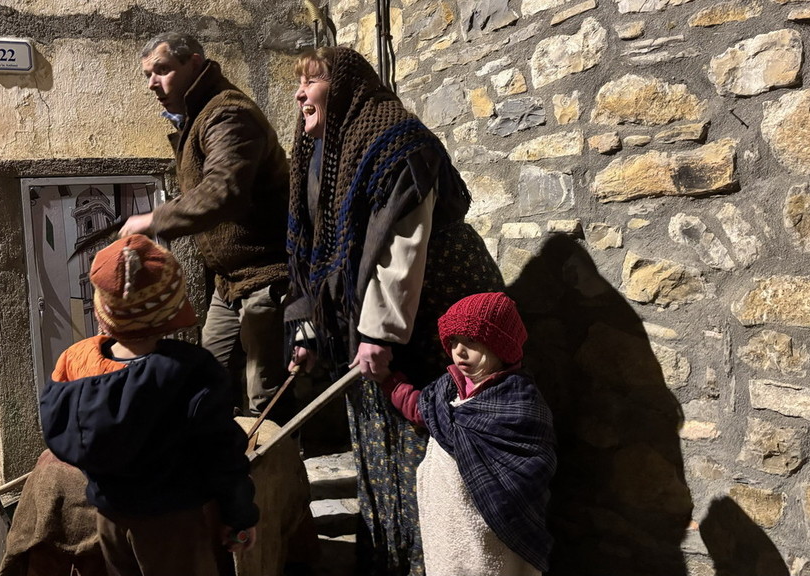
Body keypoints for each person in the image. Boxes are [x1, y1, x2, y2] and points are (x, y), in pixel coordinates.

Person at [286, 46, 504, 575]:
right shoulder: (318, 155)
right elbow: (317, 253)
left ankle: (436, 562)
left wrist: (379, 333)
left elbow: (401, 243)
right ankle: (391, 559)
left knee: (423, 438)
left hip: (426, 312)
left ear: (343, 89)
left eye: (311, 82)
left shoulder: (395, 140)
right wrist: (309, 331)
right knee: (376, 438)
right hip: (374, 319)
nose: (299, 94)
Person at [39, 234, 258, 576]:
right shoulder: (191, 372)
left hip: (109, 519)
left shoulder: (77, 366)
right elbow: (222, 456)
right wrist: (240, 516)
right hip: (173, 524)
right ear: (170, 311)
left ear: (102, 312)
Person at [120, 31, 291, 420]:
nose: (152, 83)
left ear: (194, 64)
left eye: (162, 70)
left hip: (264, 276)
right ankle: (223, 456)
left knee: (265, 397)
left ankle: (278, 459)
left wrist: (154, 219)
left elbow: (222, 192)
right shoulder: (195, 116)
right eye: (148, 74)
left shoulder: (227, 113)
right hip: (228, 282)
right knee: (207, 381)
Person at [381, 292, 557, 576]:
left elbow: (530, 470)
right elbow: (421, 409)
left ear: (501, 345)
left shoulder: (519, 404)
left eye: (472, 341)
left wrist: (496, 505)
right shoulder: (449, 387)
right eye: (453, 341)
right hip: (448, 520)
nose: (459, 351)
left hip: (489, 527)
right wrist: (391, 384)